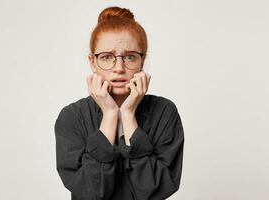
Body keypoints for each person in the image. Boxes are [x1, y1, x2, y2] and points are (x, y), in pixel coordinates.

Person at [54, 6, 185, 200]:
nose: (119, 68)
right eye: (107, 57)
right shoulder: (72, 117)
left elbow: (157, 190)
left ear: (142, 60)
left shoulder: (164, 112)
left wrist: (129, 115)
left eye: (130, 57)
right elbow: (87, 194)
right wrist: (109, 115)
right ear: (92, 61)